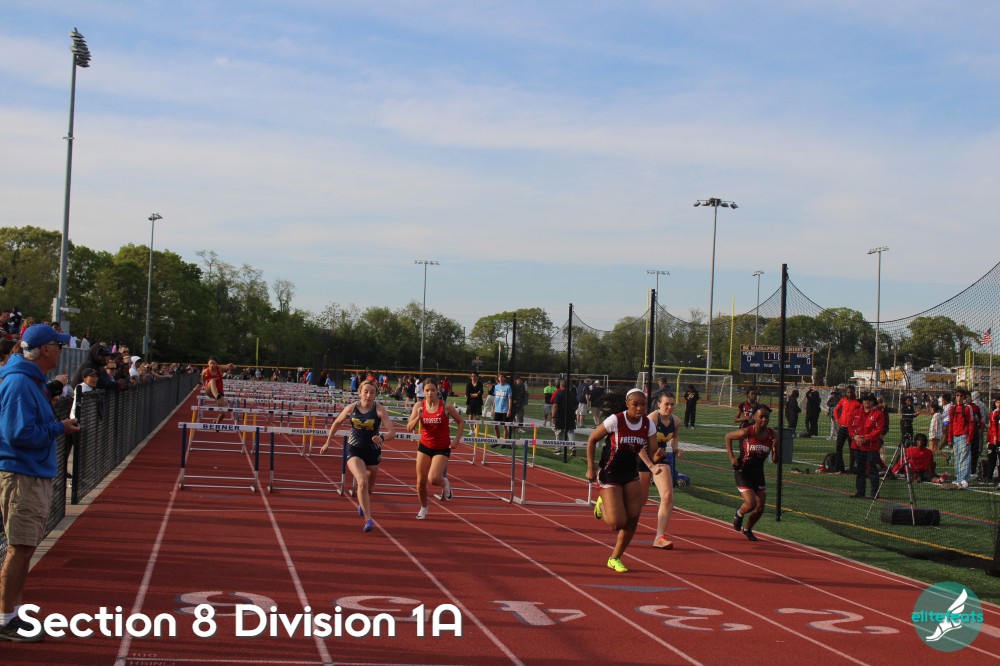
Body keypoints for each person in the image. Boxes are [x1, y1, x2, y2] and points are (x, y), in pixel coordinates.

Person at [0, 324, 81, 642]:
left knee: (24, 547)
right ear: (45, 349)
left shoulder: (28, 380)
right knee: (20, 547)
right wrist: (59, 428)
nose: (61, 350)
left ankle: (12, 611)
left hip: (30, 474)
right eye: (58, 345)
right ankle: (5, 618)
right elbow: (17, 434)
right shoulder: (21, 383)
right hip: (23, 475)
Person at [586, 388, 659, 572]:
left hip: (630, 472)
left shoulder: (648, 424)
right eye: (635, 404)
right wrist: (590, 468)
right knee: (616, 523)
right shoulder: (615, 420)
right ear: (628, 404)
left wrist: (658, 456)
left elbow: (653, 452)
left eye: (643, 405)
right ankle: (602, 503)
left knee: (633, 518)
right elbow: (592, 439)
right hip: (610, 472)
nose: (640, 408)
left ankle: (615, 558)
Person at [319, 379, 396, 532]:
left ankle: (363, 502)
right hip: (354, 449)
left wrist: (382, 438)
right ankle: (368, 520)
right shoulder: (351, 408)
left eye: (372, 393)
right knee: (362, 482)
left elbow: (392, 432)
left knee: (369, 489)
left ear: (375, 395)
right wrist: (328, 442)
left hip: (373, 452)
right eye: (366, 392)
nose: (368, 395)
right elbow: (336, 423)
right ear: (360, 393)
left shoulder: (379, 409)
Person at [407, 378, 464, 519]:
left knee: (433, 478)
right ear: (423, 391)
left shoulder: (446, 406)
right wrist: (418, 417)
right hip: (425, 446)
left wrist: (456, 441)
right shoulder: (419, 406)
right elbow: (409, 428)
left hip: (442, 447)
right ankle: (423, 508)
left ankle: (444, 482)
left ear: (437, 391)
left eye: (433, 390)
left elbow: (461, 422)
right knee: (421, 482)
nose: (430, 393)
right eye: (427, 390)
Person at [724, 405, 777, 541]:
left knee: (760, 507)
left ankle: (747, 529)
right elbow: (728, 436)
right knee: (751, 503)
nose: (764, 420)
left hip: (758, 472)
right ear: (754, 417)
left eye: (766, 417)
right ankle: (739, 513)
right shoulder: (747, 432)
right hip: (743, 470)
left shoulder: (772, 435)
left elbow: (776, 460)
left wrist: (775, 447)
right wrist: (732, 458)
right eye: (761, 417)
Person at [640, 391, 682, 549]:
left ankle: (659, 537)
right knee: (641, 500)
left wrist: (676, 449)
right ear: (658, 404)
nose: (670, 407)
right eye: (666, 404)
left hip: (660, 457)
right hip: (642, 457)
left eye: (672, 404)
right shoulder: (651, 420)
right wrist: (650, 465)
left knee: (667, 495)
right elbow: (638, 445)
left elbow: (674, 437)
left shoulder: (676, 421)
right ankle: (606, 502)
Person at [849, 393, 886, 498]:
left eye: (869, 400)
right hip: (857, 446)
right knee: (860, 470)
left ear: (873, 402)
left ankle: (874, 493)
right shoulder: (856, 412)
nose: (867, 402)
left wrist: (866, 438)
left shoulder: (878, 414)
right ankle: (860, 492)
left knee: (872, 470)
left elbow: (879, 430)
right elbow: (850, 426)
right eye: (865, 400)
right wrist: (854, 437)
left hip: (871, 447)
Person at [946, 388, 976, 489]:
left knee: (964, 458)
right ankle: (960, 478)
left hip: (964, 436)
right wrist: (949, 438)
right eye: (957, 395)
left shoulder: (967, 408)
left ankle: (963, 479)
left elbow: (971, 423)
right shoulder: (952, 408)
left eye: (961, 395)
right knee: (957, 458)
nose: (959, 397)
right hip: (955, 436)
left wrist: (969, 438)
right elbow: (951, 424)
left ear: (964, 397)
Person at [833, 386, 862, 472]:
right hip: (842, 427)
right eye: (848, 392)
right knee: (838, 447)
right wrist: (837, 420)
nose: (849, 394)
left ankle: (852, 467)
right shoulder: (843, 400)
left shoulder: (857, 403)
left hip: (851, 429)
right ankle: (839, 467)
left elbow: (862, 414)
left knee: (852, 449)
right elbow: (835, 410)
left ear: (854, 393)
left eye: (851, 392)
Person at [550, 379, 578, 453]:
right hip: (570, 415)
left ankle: (558, 448)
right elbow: (576, 405)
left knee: (559, 432)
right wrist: (572, 410)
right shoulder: (572, 394)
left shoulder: (559, 394)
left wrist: (553, 417)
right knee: (570, 431)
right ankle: (573, 448)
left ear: (561, 385)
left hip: (560, 416)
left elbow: (555, 406)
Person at [201, 357, 228, 424]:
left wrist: (232, 366)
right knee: (212, 380)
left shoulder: (220, 369)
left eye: (213, 363)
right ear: (208, 363)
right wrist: (204, 385)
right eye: (210, 363)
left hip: (219, 391)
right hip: (209, 390)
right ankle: (217, 396)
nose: (212, 365)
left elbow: (229, 367)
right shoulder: (205, 371)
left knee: (223, 413)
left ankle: (216, 422)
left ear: (216, 364)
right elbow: (203, 378)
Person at [491, 373, 512, 439]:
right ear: (498, 378)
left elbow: (510, 399)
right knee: (495, 426)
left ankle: (504, 442)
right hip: (497, 410)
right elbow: (495, 398)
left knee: (504, 426)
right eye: (499, 377)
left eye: (502, 377)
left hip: (505, 410)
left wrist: (509, 410)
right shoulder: (496, 387)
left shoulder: (508, 387)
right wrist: (493, 408)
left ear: (504, 378)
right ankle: (498, 440)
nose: (501, 378)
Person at [985, 396, 1000, 485]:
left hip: (997, 439)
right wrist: (992, 437)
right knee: (991, 458)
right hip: (992, 440)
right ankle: (989, 477)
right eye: (997, 402)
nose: (999, 404)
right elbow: (992, 426)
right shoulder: (994, 413)